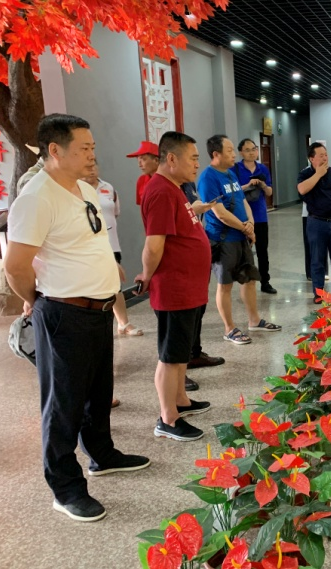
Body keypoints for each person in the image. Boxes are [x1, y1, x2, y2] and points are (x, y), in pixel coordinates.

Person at [4, 113, 150, 523]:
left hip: (98, 310)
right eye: (84, 148)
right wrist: (39, 301)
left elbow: (89, 239)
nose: (92, 155)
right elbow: (15, 266)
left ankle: (102, 454)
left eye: (92, 147)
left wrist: (108, 268)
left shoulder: (84, 189)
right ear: (54, 150)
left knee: (98, 393)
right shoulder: (36, 197)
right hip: (64, 313)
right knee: (63, 404)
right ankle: (65, 488)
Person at [136, 131, 212, 442]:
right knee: (170, 355)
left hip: (188, 287)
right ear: (171, 159)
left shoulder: (175, 189)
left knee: (180, 352)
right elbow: (154, 245)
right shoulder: (161, 192)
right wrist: (146, 274)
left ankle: (181, 399)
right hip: (174, 288)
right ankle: (168, 418)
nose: (197, 164)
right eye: (193, 158)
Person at [197, 135, 281, 345]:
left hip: (241, 236)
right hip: (223, 239)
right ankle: (229, 329)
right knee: (225, 285)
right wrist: (245, 228)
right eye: (229, 150)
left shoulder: (230, 174)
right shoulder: (208, 178)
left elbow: (243, 202)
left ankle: (254, 320)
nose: (234, 154)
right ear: (216, 154)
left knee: (249, 279)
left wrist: (250, 224)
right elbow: (220, 213)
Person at [83, 162, 143, 339]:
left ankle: (123, 323)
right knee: (92, 285)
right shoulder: (76, 189)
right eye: (88, 166)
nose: (92, 169)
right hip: (89, 248)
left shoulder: (108, 188)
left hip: (111, 244)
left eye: (94, 166)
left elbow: (115, 213)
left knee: (115, 285)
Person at [179, 180, 226, 384]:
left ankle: (194, 354)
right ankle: (178, 371)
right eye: (192, 162)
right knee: (181, 319)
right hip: (180, 263)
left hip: (196, 258)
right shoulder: (161, 188)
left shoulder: (188, 185)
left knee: (198, 309)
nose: (196, 165)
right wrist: (192, 209)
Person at [297, 142, 331, 303]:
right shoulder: (305, 174)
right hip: (316, 223)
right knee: (317, 261)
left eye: (326, 155)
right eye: (321, 155)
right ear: (311, 158)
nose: (325, 158)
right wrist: (318, 174)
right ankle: (319, 294)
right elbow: (302, 189)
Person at [231, 138, 277, 294]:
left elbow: (269, 192)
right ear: (241, 152)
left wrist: (262, 185)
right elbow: (232, 191)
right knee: (244, 252)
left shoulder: (262, 168)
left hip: (260, 216)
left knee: (263, 251)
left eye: (254, 149)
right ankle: (245, 282)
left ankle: (265, 282)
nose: (252, 152)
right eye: (247, 150)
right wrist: (248, 185)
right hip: (242, 217)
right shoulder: (235, 169)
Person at [127, 140, 159, 205]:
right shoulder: (141, 180)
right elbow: (142, 206)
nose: (139, 165)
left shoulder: (169, 179)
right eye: (138, 160)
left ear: (156, 160)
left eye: (143, 159)